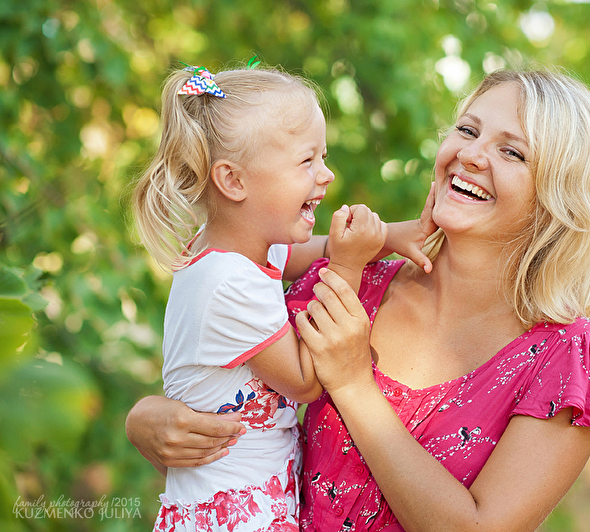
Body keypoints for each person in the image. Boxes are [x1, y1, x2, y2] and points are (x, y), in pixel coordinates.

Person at [127, 67, 590, 532]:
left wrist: (354, 384)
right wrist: (148, 417)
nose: (470, 154)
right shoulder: (353, 283)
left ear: (560, 198)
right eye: (467, 131)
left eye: (512, 152)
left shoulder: (572, 361)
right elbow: (232, 380)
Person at [131, 61, 428, 532]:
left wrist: (387, 236)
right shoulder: (229, 283)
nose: (326, 175)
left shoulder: (234, 248)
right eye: (307, 161)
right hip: (234, 515)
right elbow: (306, 381)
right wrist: (348, 267)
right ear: (234, 181)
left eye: (322, 157)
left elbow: (308, 252)